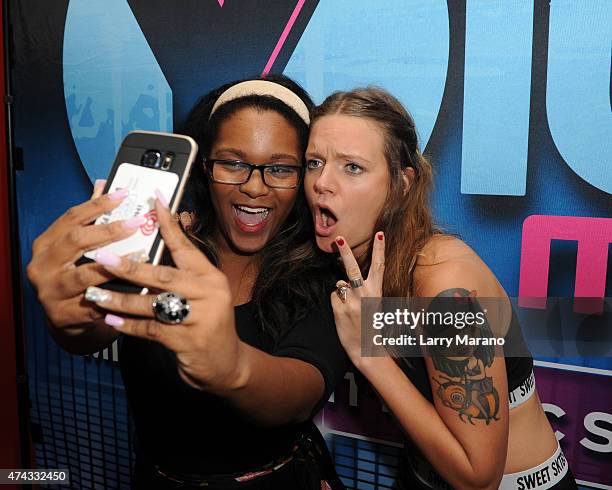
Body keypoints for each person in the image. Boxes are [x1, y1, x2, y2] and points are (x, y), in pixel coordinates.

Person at [26, 75, 348, 489]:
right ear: (204, 166)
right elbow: (87, 331)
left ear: (303, 176)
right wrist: (70, 315)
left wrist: (232, 366)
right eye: (233, 162)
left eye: (280, 168)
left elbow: (298, 394)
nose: (254, 186)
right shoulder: (160, 246)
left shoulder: (324, 272)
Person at [303, 87, 577, 490]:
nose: (322, 182)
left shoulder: (445, 285)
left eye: (352, 168)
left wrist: (371, 354)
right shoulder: (355, 262)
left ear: (401, 183)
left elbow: (477, 476)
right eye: (314, 162)